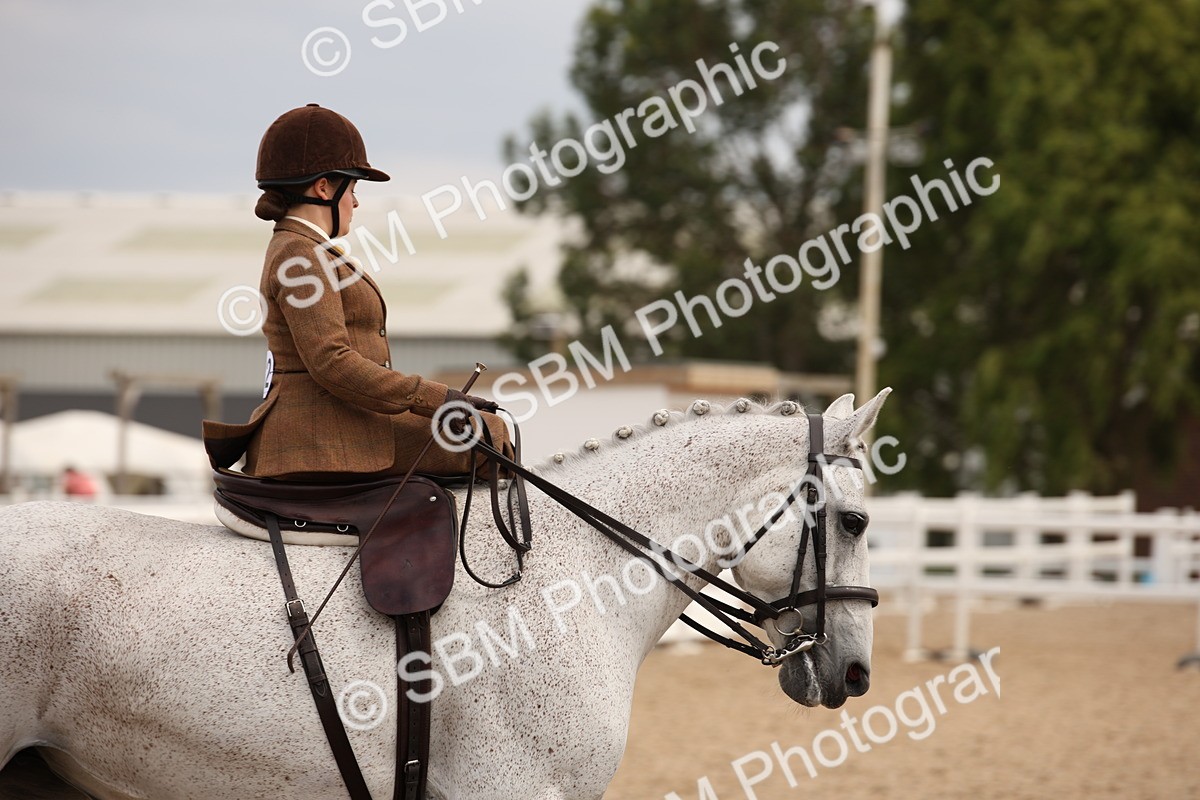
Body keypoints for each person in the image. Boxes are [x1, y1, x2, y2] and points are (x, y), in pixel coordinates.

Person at [203, 104, 510, 481]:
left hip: (341, 422)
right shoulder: (299, 254)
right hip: (320, 437)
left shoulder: (305, 248)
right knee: (487, 436)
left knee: (486, 428)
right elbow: (332, 362)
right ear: (323, 188)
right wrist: (436, 398)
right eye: (353, 188)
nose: (356, 202)